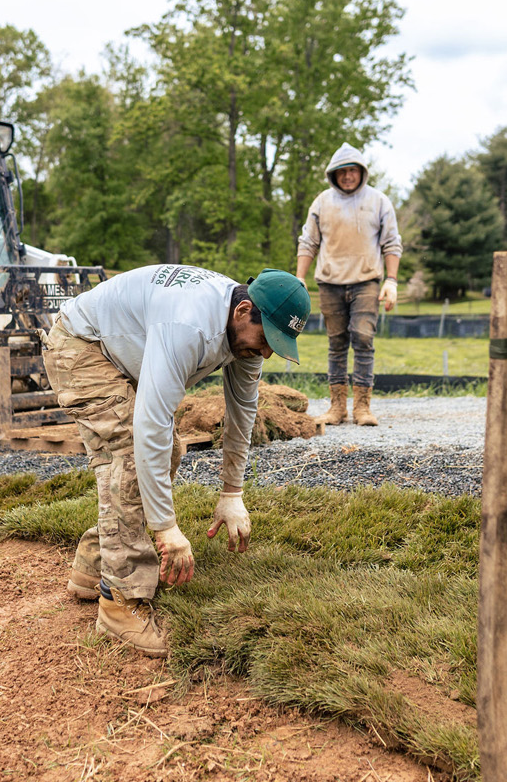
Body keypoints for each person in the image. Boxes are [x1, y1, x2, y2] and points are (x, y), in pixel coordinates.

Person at [43, 264, 310, 657]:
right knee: (130, 456)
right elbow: (149, 426)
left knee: (167, 450)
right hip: (81, 345)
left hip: (116, 349)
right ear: (243, 311)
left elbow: (242, 414)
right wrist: (166, 528)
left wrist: (232, 493)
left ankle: (93, 564)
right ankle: (120, 603)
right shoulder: (189, 326)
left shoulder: (246, 334)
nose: (267, 352)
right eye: (267, 338)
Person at [295, 143, 402, 427]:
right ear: (333, 174)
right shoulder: (322, 202)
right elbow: (308, 241)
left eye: (352, 170)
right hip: (330, 283)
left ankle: (362, 407)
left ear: (362, 172)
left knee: (363, 338)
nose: (347, 176)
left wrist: (391, 280)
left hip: (366, 281)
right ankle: (337, 407)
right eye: (342, 171)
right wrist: (300, 277)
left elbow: (392, 243)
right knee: (336, 343)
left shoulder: (379, 201)